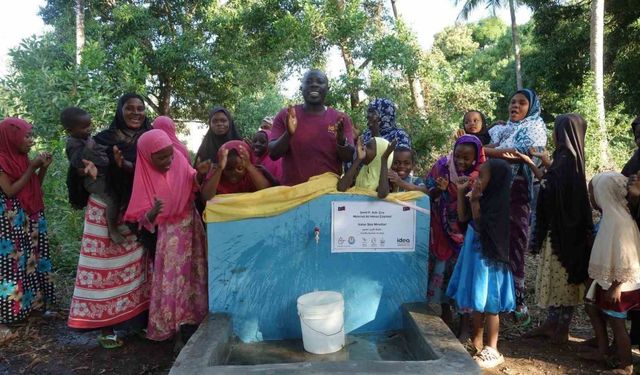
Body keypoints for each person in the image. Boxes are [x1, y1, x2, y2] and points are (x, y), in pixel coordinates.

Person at [67, 93, 153, 349]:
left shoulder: (150, 138)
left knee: (136, 270)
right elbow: (79, 167)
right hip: (104, 209)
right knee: (104, 269)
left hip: (136, 212)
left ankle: (135, 323)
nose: (136, 113)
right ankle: (106, 327)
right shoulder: (101, 139)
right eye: (130, 108)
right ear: (120, 110)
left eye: (140, 108)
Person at [123, 129, 208, 348]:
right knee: (172, 279)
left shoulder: (178, 158)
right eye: (161, 157)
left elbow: (192, 181)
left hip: (191, 226)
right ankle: (175, 328)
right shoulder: (144, 176)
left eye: (170, 154)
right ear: (147, 157)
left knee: (195, 274)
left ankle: (196, 319)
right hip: (170, 236)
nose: (169, 160)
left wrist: (200, 174)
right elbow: (143, 218)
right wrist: (153, 212)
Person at [518, 114, 592, 343]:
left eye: (556, 129)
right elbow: (557, 181)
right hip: (564, 228)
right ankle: (552, 324)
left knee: (562, 276)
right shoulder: (569, 156)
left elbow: (550, 186)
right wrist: (545, 162)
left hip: (563, 231)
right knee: (557, 274)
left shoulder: (567, 157)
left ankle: (561, 329)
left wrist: (531, 164)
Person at [485, 89, 548, 324]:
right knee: (496, 241)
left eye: (522, 103)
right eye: (512, 102)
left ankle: (517, 300)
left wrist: (483, 151)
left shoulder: (535, 127)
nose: (515, 106)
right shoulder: (507, 128)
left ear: (531, 107)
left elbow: (518, 154)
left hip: (518, 192)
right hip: (497, 191)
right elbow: (494, 143)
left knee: (516, 242)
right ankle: (498, 297)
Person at [446, 159, 516, 369]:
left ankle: (493, 349)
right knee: (477, 302)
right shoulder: (482, 198)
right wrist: (461, 193)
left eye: (482, 176)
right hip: (475, 260)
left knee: (491, 304)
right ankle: (476, 343)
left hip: (490, 263)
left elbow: (481, 225)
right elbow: (462, 218)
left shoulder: (499, 207)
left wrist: (475, 201)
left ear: (495, 182)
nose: (477, 179)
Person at [0, 118, 55, 340]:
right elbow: (11, 191)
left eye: (31, 135)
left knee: (32, 261)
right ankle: (9, 313)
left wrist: (41, 170)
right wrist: (32, 167)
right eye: (26, 136)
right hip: (11, 221)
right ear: (11, 138)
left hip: (29, 217)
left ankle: (32, 305)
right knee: (13, 266)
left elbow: (32, 188)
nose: (31, 140)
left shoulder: (21, 159)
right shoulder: (2, 160)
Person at [425, 135, 486, 333]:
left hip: (467, 235)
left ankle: (465, 327)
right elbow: (428, 190)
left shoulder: (481, 176)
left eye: (466, 158)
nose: (460, 161)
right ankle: (446, 316)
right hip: (442, 230)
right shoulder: (442, 166)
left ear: (476, 157)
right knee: (441, 274)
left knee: (463, 277)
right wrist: (438, 190)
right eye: (458, 156)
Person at [584, 172, 640, 375]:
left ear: (604, 193)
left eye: (594, 192)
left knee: (618, 323)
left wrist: (616, 286)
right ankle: (604, 351)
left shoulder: (619, 222)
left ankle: (626, 366)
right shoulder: (613, 217)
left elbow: (626, 256)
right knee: (593, 308)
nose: (592, 197)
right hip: (611, 280)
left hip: (621, 284)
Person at [269, 69, 355, 186]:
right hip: (293, 192)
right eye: (308, 82)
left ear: (327, 88)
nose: (314, 85)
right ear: (301, 87)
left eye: (320, 82)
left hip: (327, 193)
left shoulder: (340, 118)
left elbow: (349, 157)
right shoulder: (287, 115)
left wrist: (341, 141)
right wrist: (289, 134)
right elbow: (273, 154)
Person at [62, 107, 124, 244]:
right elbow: (77, 161)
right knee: (112, 199)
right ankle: (113, 229)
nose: (89, 129)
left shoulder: (86, 138)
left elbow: (99, 150)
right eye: (84, 127)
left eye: (89, 125)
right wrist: (89, 147)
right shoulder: (73, 143)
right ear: (70, 130)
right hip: (92, 180)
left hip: (102, 174)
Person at [201, 140, 273, 200]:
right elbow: (207, 197)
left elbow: (267, 190)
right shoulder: (216, 173)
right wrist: (220, 168)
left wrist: (249, 166)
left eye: (240, 168)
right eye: (228, 169)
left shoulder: (251, 174)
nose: (234, 173)